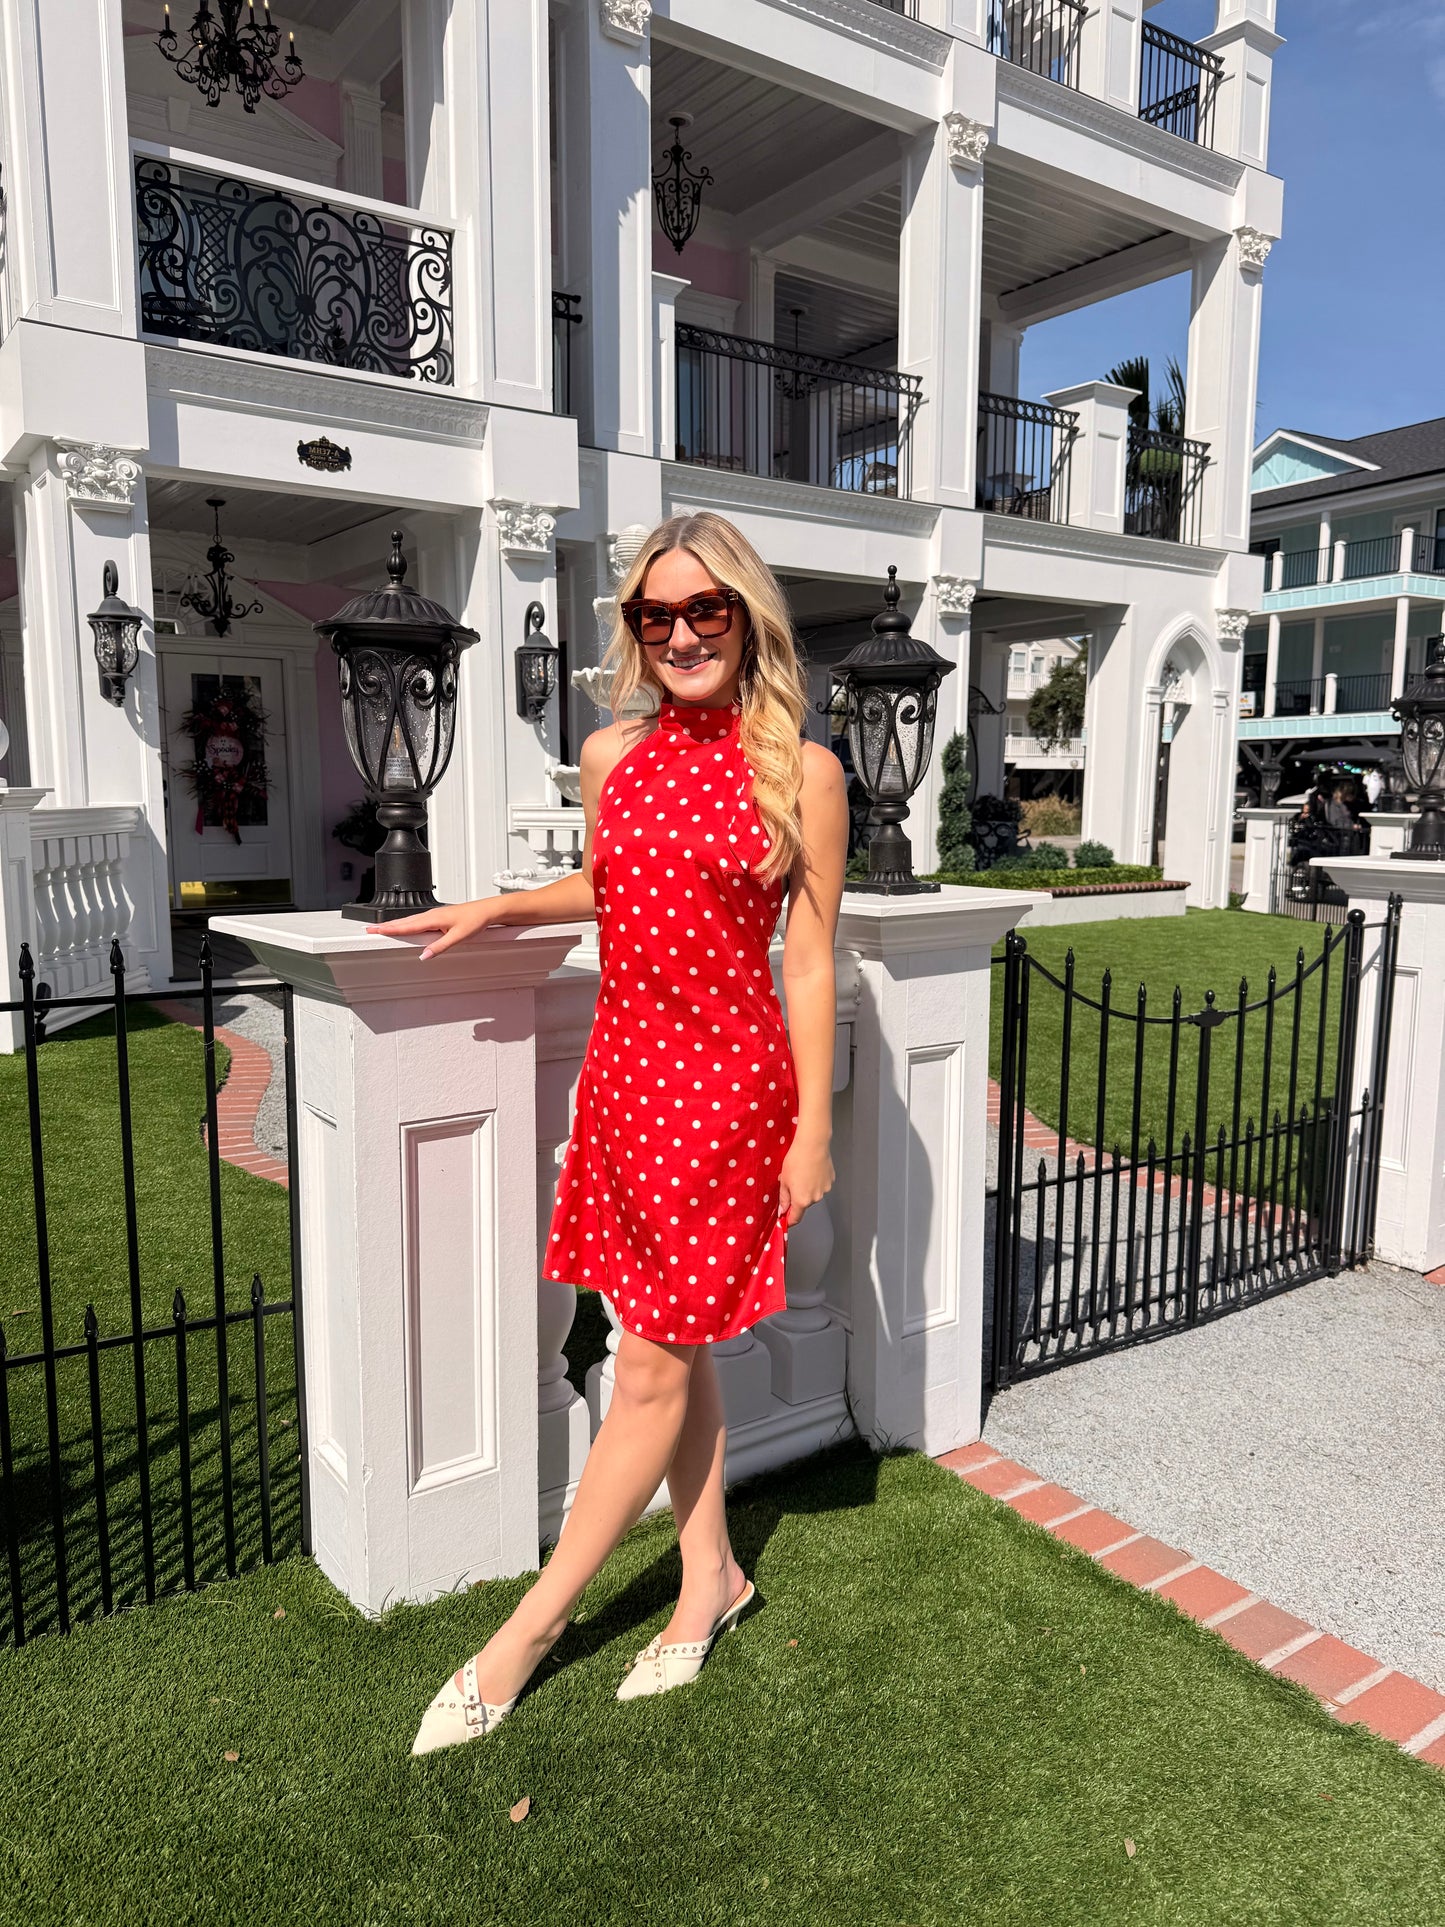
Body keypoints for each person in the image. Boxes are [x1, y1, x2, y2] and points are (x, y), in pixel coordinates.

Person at [377, 512, 850, 1754]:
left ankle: (525, 1632)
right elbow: (615, 878)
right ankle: (712, 1578)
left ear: (746, 620)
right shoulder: (608, 755)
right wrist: (497, 905)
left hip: (729, 1097)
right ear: (634, 630)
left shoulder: (801, 770)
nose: (682, 632)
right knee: (667, 1346)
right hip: (627, 1084)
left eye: (707, 611)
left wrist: (809, 1130)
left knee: (644, 1365)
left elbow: (807, 960)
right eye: (657, 614)